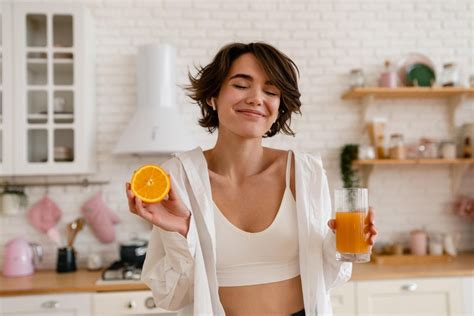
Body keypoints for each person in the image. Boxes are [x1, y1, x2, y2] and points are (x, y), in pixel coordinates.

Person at [126, 42, 377, 316]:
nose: (257, 98)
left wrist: (339, 242)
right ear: (213, 96)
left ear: (279, 106)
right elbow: (171, 297)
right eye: (241, 85)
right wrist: (182, 233)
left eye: (270, 91)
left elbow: (329, 276)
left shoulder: (305, 172)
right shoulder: (178, 177)